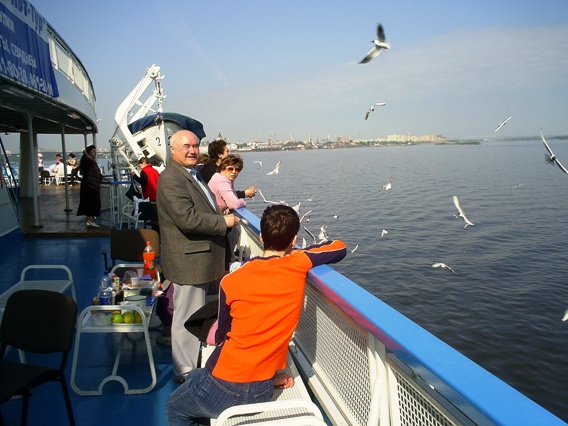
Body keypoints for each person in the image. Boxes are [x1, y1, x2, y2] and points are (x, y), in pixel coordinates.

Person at [165, 205, 347, 424]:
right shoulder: (299, 263)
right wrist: (298, 252)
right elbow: (339, 247)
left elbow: (223, 335)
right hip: (261, 388)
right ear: (294, 239)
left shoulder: (231, 281)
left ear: (261, 237)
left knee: (175, 407)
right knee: (195, 377)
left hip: (226, 385)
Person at [157, 128, 240, 384]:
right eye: (186, 147)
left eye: (195, 146)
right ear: (173, 151)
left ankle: (192, 365)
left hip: (201, 258)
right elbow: (187, 218)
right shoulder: (171, 178)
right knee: (187, 316)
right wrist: (223, 223)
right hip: (189, 260)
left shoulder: (191, 175)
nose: (193, 150)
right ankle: (184, 372)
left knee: (195, 312)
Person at [77, 145, 108, 227]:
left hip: (87, 185)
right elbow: (92, 164)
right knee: (93, 202)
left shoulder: (87, 162)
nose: (95, 153)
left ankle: (90, 220)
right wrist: (85, 153)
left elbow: (96, 173)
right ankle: (90, 220)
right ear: (89, 152)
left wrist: (104, 178)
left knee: (90, 202)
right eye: (94, 151)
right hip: (90, 186)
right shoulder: (89, 161)